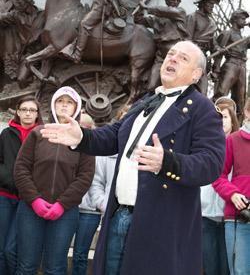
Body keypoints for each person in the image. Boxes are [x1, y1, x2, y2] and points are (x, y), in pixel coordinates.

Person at [41, 40, 225, 275]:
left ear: (196, 74)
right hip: (119, 215)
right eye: (171, 54)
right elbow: (115, 135)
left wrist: (167, 162)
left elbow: (212, 163)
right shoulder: (147, 99)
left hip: (160, 223)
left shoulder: (202, 109)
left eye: (183, 58)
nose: (173, 59)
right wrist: (81, 137)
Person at [14, 86, 95, 275]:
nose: (64, 106)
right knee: (26, 265)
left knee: (55, 267)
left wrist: (62, 204)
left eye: (69, 102)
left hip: (64, 213)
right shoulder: (37, 133)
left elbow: (85, 177)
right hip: (30, 210)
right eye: (60, 101)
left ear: (77, 107)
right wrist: (34, 199)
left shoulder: (84, 139)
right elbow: (21, 168)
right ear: (53, 105)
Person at [0, 95, 43, 275]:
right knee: (1, 249)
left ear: (37, 114)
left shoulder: (42, 136)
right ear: (18, 112)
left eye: (32, 110)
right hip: (5, 196)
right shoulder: (7, 134)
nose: (27, 113)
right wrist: (5, 177)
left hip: (28, 200)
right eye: (24, 110)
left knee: (12, 249)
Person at [72, 113, 117, 275]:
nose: (82, 130)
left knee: (80, 254)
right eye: (80, 126)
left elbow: (97, 180)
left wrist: (100, 203)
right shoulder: (69, 145)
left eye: (86, 128)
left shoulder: (97, 150)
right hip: (69, 207)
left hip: (90, 211)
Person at [201, 99, 239, 275]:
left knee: (227, 266)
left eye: (224, 117)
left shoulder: (238, 146)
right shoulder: (204, 144)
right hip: (206, 215)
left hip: (230, 217)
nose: (221, 121)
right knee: (209, 265)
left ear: (232, 120)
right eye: (217, 117)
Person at [213, 97, 250, 274]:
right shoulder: (233, 140)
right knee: (239, 271)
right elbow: (218, 176)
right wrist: (233, 194)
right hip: (239, 219)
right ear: (248, 112)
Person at [134, 0, 189, 90]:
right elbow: (138, 20)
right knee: (152, 85)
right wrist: (141, 7)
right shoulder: (156, 19)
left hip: (175, 54)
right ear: (167, 1)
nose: (175, 2)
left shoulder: (180, 13)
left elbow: (168, 11)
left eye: (177, 0)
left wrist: (147, 8)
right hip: (160, 55)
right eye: (172, 0)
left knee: (174, 85)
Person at [212, 9, 250, 118]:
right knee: (221, 94)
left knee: (240, 99)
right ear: (235, 19)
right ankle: (212, 119)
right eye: (242, 18)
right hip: (230, 65)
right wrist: (216, 70)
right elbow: (218, 53)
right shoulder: (227, 33)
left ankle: (237, 125)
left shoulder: (243, 38)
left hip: (242, 67)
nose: (244, 21)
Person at [186, 0, 221, 94]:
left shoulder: (211, 23)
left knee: (203, 90)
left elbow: (213, 43)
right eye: (210, 4)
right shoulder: (192, 17)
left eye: (213, 5)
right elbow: (187, 38)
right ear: (202, 3)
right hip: (191, 56)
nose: (212, 7)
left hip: (203, 59)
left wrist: (218, 49)